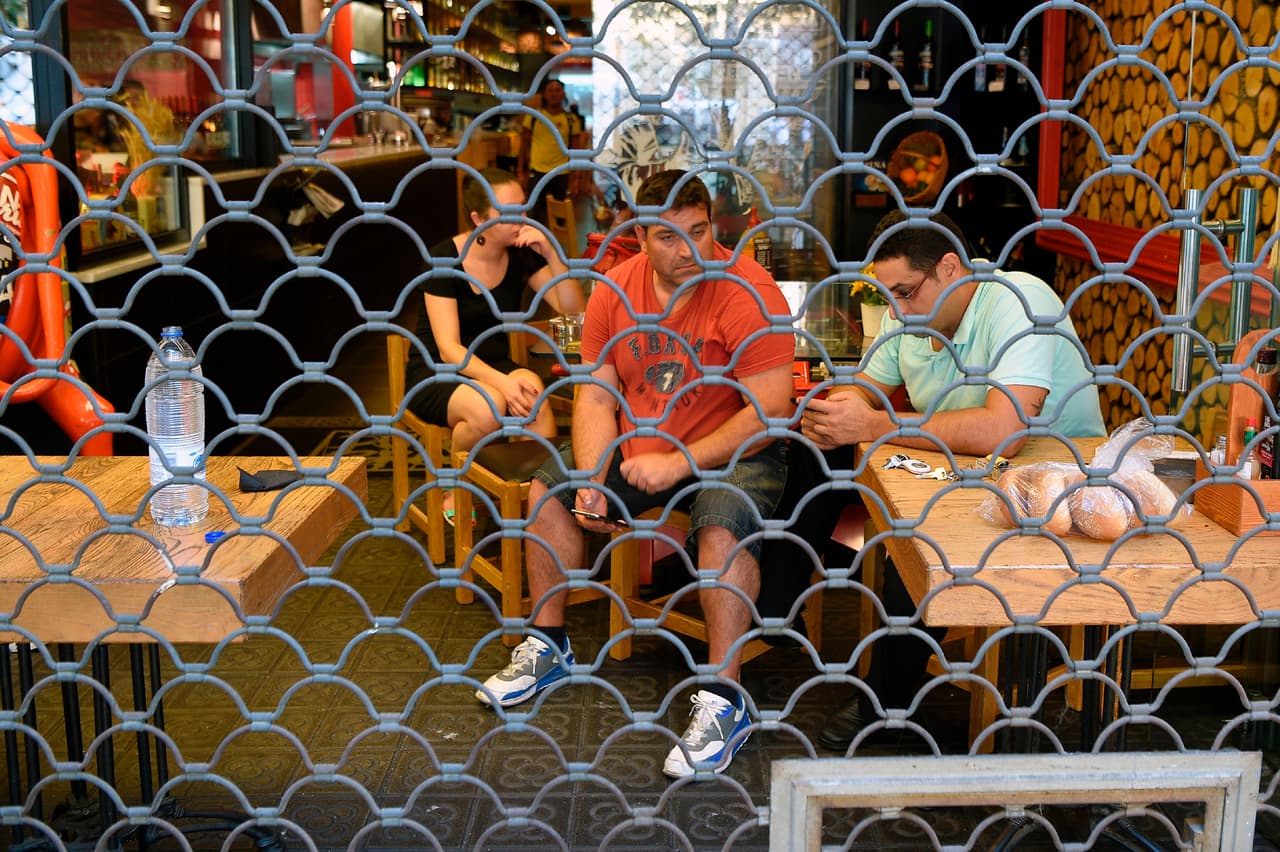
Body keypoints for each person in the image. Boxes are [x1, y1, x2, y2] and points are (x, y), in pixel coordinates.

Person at [474, 169, 796, 779]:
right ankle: (549, 644)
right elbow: (597, 395)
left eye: (698, 231)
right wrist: (593, 477)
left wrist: (678, 461)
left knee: (721, 528)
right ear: (640, 236)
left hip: (738, 450)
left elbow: (769, 411)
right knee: (549, 491)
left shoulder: (748, 290)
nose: (689, 251)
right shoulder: (615, 290)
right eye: (669, 238)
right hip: (641, 444)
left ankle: (725, 700)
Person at [793, 209, 1106, 750]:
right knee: (814, 449)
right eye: (888, 296)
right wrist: (839, 411)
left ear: (950, 268)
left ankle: (886, 701)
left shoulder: (1019, 300)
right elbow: (867, 384)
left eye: (905, 293)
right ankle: (779, 606)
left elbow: (1005, 431)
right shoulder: (910, 312)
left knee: (918, 544)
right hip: (962, 468)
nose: (896, 310)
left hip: (1054, 481)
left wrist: (877, 424)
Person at [405, 168, 584, 517]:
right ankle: (454, 487)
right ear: (478, 219)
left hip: (493, 363)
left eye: (523, 207)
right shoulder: (444, 259)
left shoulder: (522, 252)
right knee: (488, 408)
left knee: (535, 398)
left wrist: (551, 254)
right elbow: (449, 349)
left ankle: (535, 504)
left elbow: (573, 310)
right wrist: (502, 383)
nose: (522, 219)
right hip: (438, 371)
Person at [517, 78, 583, 223]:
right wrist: (521, 171)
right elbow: (523, 146)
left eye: (558, 90)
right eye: (550, 90)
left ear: (563, 94)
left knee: (560, 219)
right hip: (537, 172)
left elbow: (577, 151)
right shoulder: (533, 116)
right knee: (533, 217)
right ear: (544, 94)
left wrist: (576, 179)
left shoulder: (571, 119)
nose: (554, 94)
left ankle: (556, 239)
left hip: (561, 174)